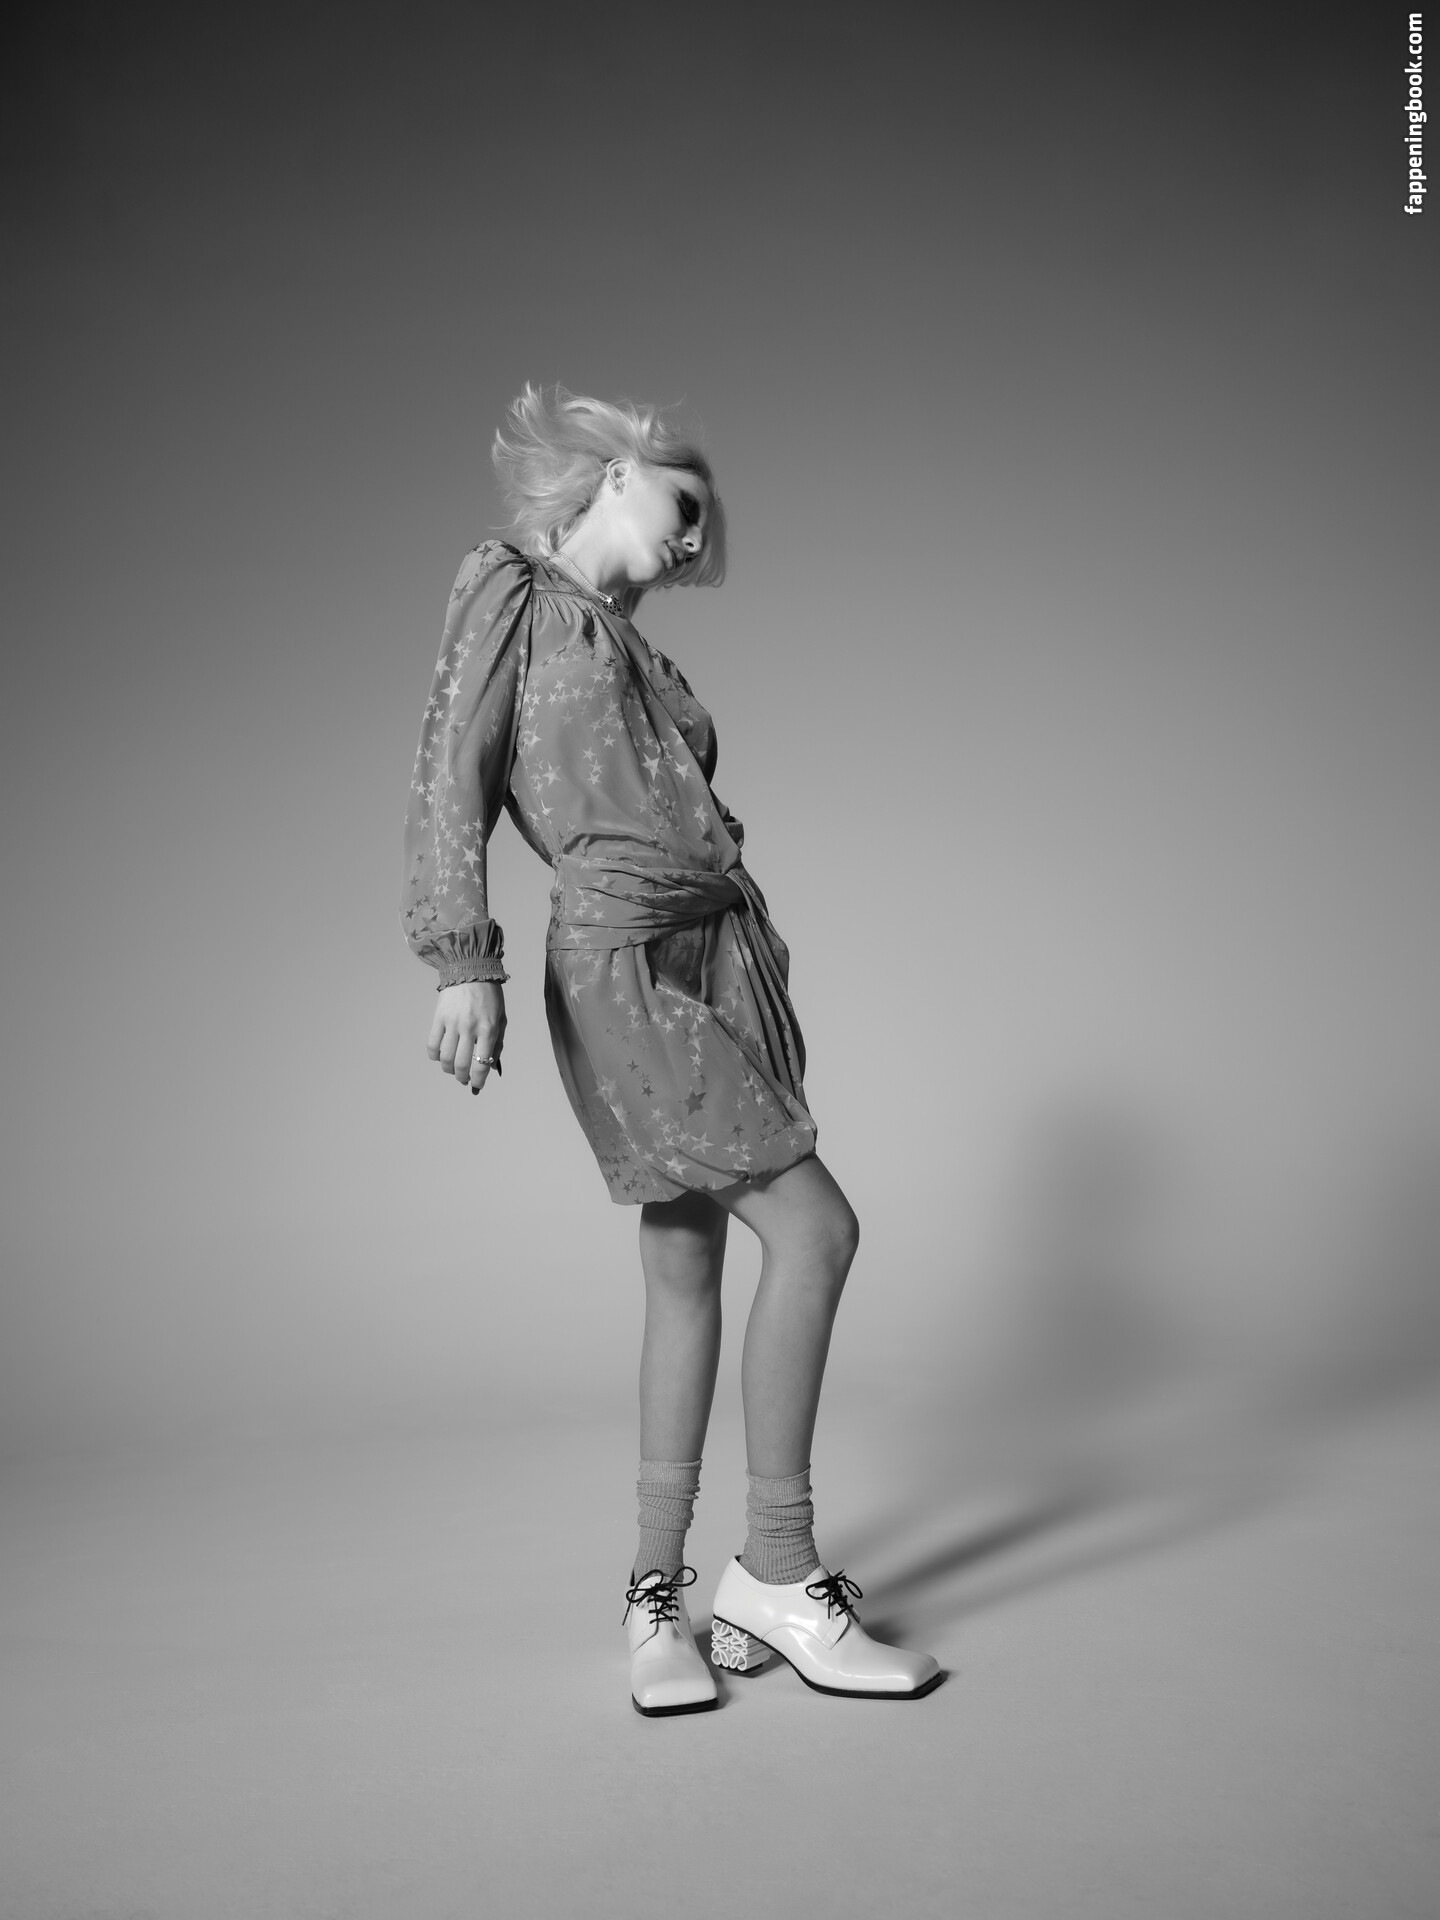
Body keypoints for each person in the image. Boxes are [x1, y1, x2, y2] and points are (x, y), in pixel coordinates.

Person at [402, 384, 940, 1715]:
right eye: (684, 505)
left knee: (686, 1261)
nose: (695, 540)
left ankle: (659, 1600)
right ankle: (777, 1572)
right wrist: (463, 962)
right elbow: (450, 772)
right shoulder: (512, 592)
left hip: (710, 949)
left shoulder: (628, 645)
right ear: (613, 470)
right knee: (817, 1233)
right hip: (625, 958)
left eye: (706, 529)